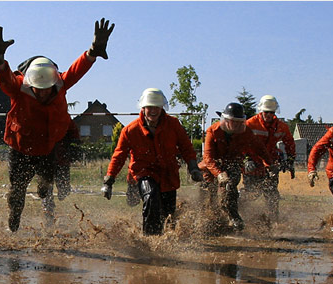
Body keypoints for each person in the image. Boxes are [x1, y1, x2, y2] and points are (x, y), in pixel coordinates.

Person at [0, 18, 114, 232]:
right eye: (39, 88)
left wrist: (93, 50)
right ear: (30, 82)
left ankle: (44, 187)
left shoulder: (61, 84)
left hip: (46, 148)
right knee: (17, 191)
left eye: (47, 88)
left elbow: (77, 70)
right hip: (19, 148)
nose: (43, 92)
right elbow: (5, 78)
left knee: (46, 186)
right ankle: (14, 216)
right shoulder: (19, 88)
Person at [101, 88, 202, 235]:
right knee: (151, 198)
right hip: (143, 173)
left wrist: (193, 168)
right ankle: (150, 241)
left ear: (162, 108)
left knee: (167, 214)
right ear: (143, 108)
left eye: (157, 107)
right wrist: (109, 181)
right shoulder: (130, 130)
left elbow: (186, 147)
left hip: (168, 174)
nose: (153, 111)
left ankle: (165, 240)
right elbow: (119, 156)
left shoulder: (173, 125)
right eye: (150, 107)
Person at [201, 102, 271, 230]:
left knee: (229, 187)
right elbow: (208, 158)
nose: (237, 125)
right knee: (208, 191)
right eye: (234, 121)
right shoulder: (212, 131)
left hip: (232, 164)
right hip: (212, 166)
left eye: (240, 122)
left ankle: (233, 216)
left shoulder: (246, 132)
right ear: (226, 120)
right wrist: (218, 173)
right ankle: (210, 218)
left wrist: (269, 164)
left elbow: (260, 149)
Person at [244, 95, 296, 221]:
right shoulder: (250, 124)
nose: (269, 115)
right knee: (251, 194)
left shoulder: (281, 126)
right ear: (261, 111)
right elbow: (241, 142)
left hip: (271, 165)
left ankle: (273, 220)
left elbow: (289, 143)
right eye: (266, 112)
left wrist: (290, 160)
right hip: (253, 164)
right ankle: (241, 214)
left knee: (272, 194)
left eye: (271, 113)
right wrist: (246, 159)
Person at [41, 120, 82, 223]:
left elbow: (75, 135)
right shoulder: (41, 119)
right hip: (46, 162)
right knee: (47, 191)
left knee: (64, 191)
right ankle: (48, 214)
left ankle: (60, 194)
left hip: (62, 162)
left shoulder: (65, 119)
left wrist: (74, 146)